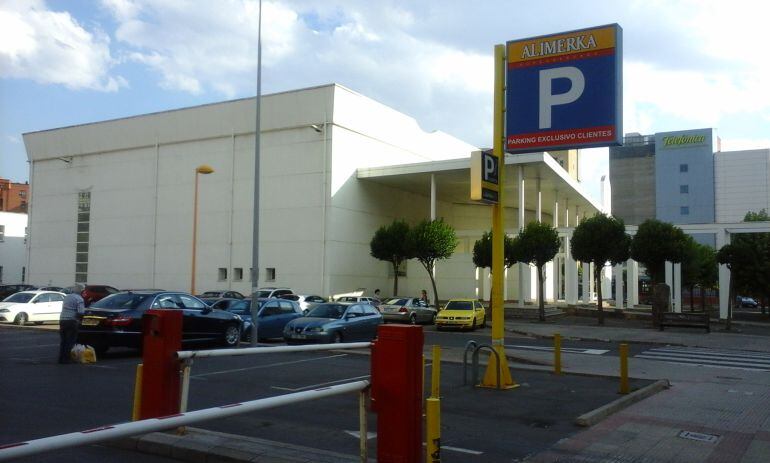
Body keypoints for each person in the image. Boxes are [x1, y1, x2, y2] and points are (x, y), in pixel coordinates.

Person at [59, 283, 85, 364]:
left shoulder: (67, 297)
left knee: (63, 341)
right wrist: (79, 321)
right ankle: (67, 359)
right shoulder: (79, 299)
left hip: (62, 320)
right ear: (81, 291)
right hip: (72, 321)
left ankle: (61, 358)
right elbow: (80, 312)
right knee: (70, 341)